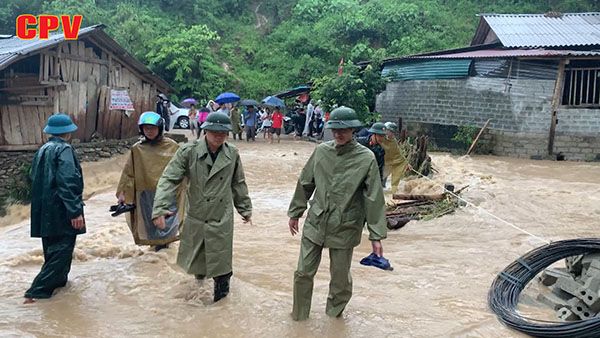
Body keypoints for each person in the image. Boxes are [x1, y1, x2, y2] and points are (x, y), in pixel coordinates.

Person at [287, 106, 387, 321]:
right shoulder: (322, 151)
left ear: (353, 130)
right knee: (303, 273)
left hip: (345, 224)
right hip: (316, 221)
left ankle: (334, 320)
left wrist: (376, 235)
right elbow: (306, 182)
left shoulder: (365, 158)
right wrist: (295, 212)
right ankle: (299, 319)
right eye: (335, 129)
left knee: (340, 279)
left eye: (344, 129)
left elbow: (374, 197)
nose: (339, 134)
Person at [152, 112, 253, 303]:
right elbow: (169, 179)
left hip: (221, 216)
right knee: (198, 262)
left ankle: (221, 307)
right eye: (214, 131)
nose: (218, 135)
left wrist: (245, 208)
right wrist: (160, 207)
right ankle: (197, 300)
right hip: (197, 214)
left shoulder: (232, 154)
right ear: (205, 130)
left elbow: (238, 183)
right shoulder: (188, 151)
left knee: (222, 267)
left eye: (223, 132)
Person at [24, 114, 85, 304]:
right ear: (68, 131)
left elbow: (32, 177)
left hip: (43, 211)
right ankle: (36, 292)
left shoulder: (42, 150)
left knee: (52, 251)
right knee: (61, 253)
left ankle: (59, 288)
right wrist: (75, 211)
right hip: (61, 211)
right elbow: (68, 181)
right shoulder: (64, 150)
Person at [116, 112, 183, 252]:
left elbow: (182, 169)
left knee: (167, 228)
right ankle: (157, 256)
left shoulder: (173, 146)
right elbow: (129, 174)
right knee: (152, 229)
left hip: (168, 194)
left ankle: (163, 255)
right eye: (146, 128)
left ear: (160, 128)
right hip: (146, 195)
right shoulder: (137, 149)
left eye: (152, 128)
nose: (149, 131)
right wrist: (123, 194)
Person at [381, 121, 410, 192]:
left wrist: (406, 163)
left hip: (386, 163)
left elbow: (398, 153)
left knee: (383, 178)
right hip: (378, 161)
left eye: (392, 132)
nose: (391, 134)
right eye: (389, 131)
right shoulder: (379, 138)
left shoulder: (393, 141)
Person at [357, 122, 387, 186]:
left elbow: (379, 169)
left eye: (383, 136)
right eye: (380, 136)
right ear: (373, 134)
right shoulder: (359, 143)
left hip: (369, 178)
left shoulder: (381, 150)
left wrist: (380, 184)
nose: (382, 138)